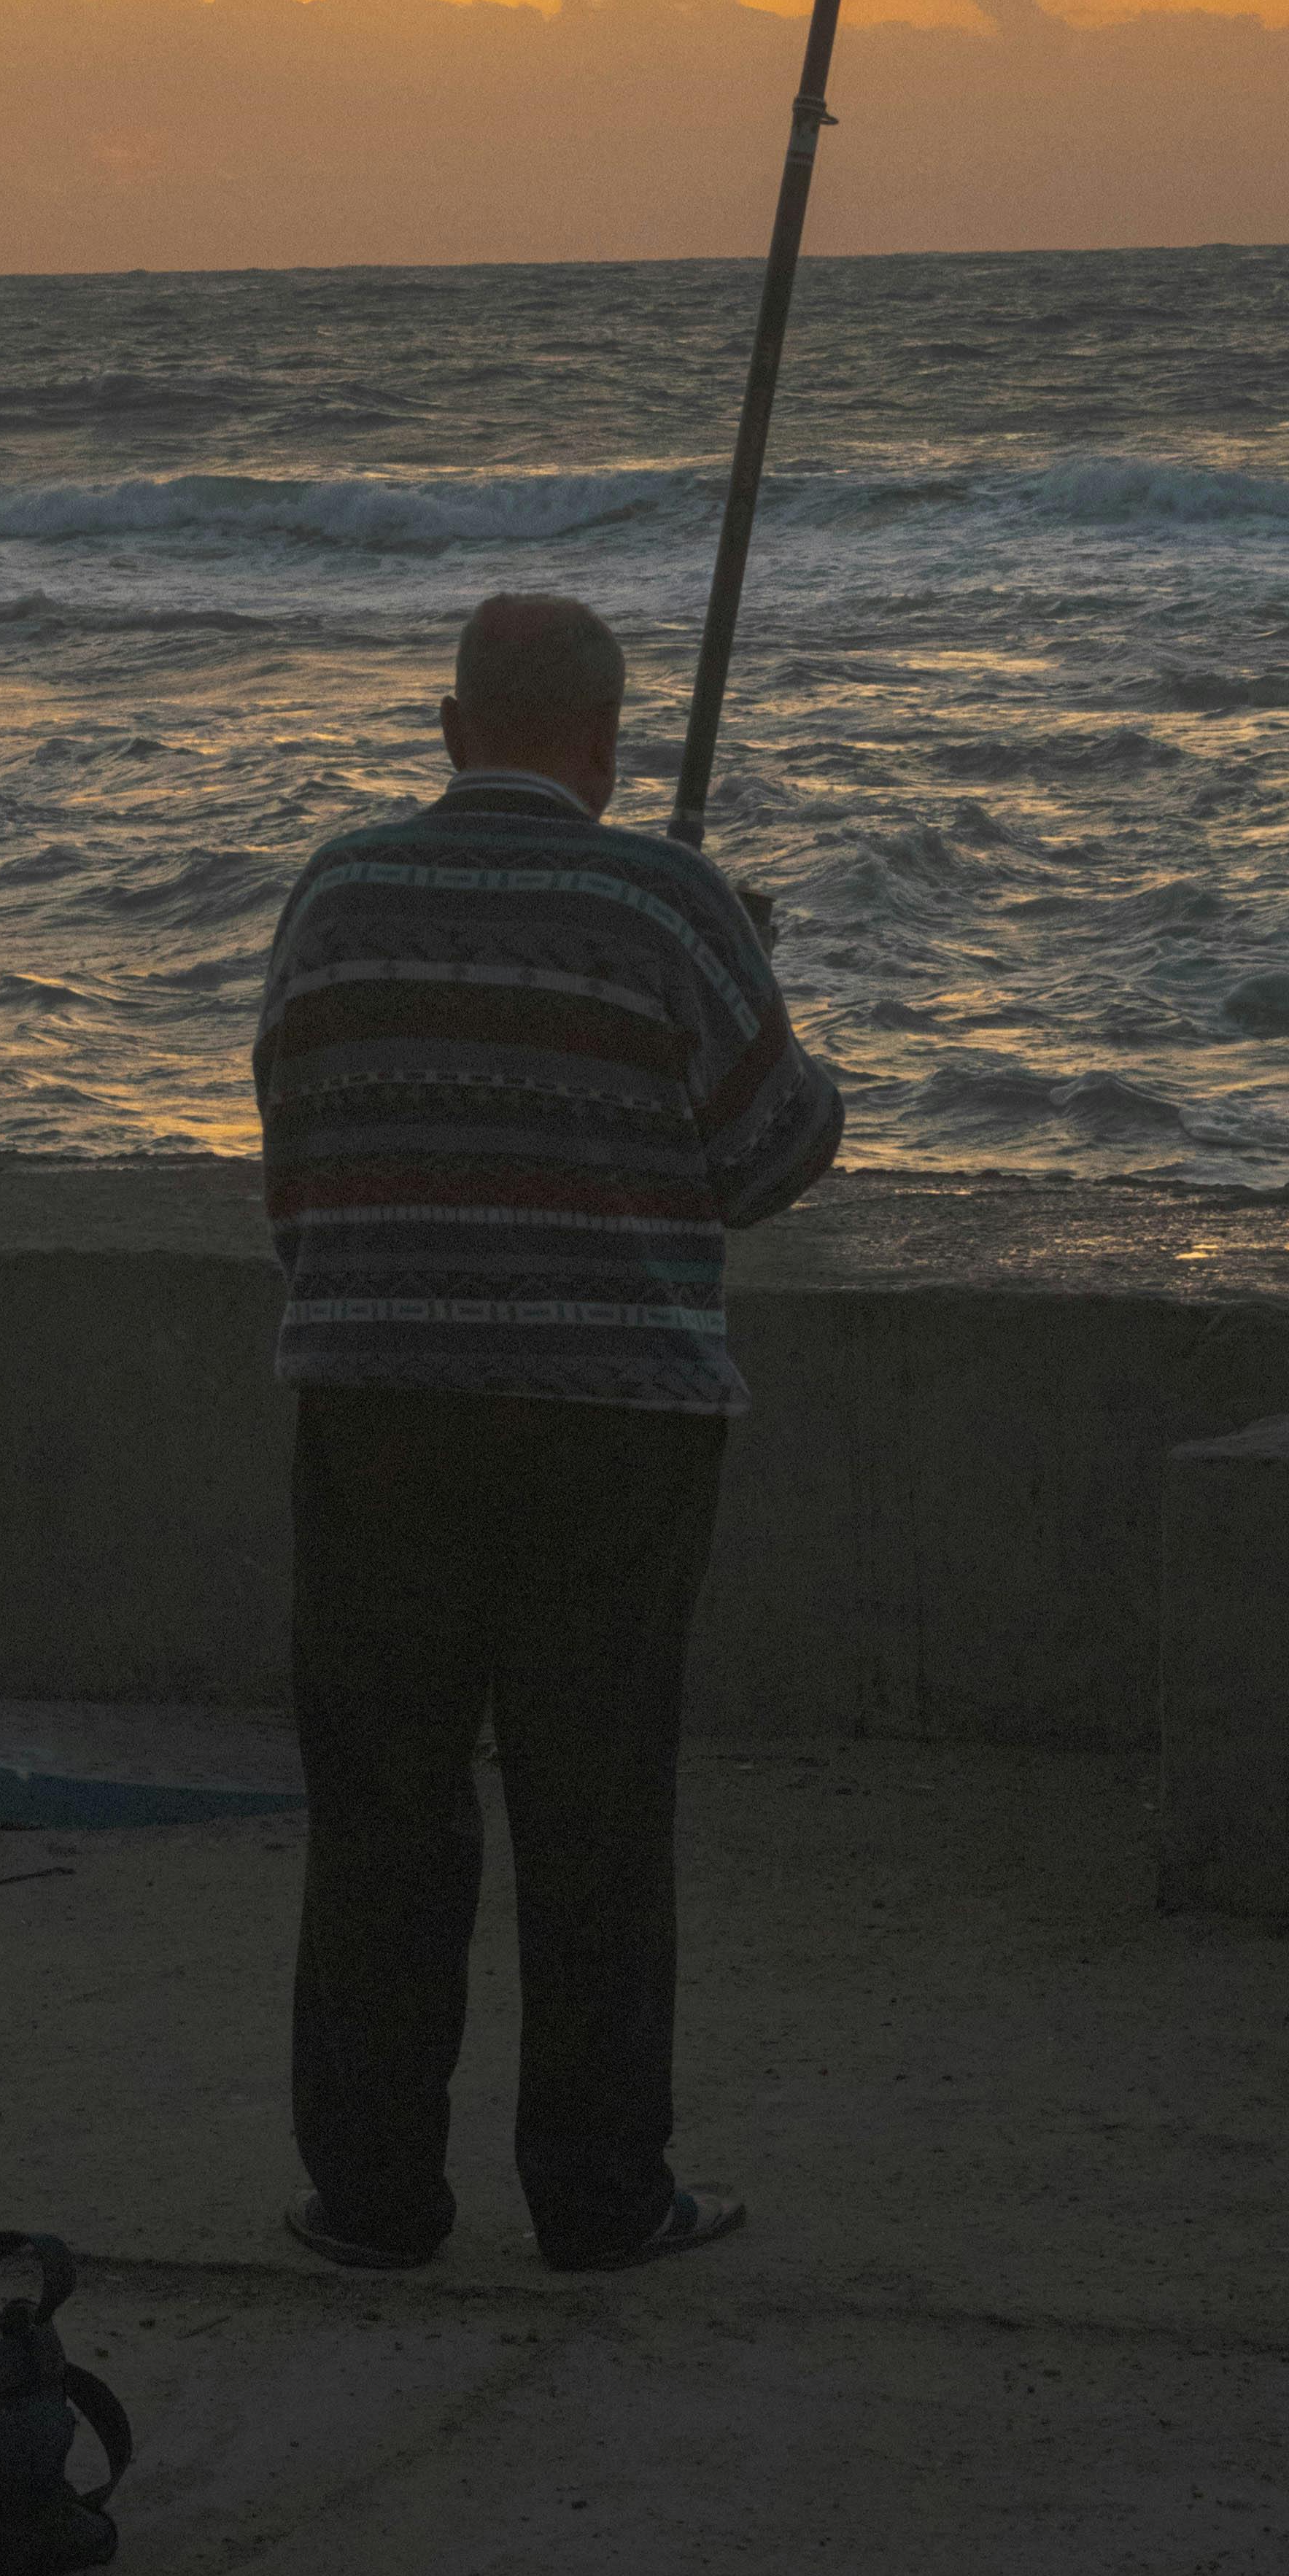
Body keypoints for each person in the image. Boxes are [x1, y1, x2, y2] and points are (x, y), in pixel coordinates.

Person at [255, 589, 842, 2276]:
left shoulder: (337, 892)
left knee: (381, 1804)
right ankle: (597, 2192)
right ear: (606, 745)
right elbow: (770, 1159)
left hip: (368, 1409)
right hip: (614, 1431)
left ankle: (370, 2196)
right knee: (593, 1810)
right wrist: (762, 979)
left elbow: (292, 1150)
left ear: (450, 731)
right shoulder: (668, 901)